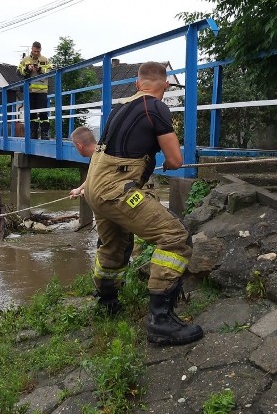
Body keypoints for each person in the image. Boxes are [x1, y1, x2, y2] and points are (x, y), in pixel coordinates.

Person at [83, 62, 203, 346]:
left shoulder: (117, 109)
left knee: (116, 246)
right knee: (175, 237)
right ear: (165, 86)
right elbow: (175, 161)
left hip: (94, 189)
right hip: (119, 191)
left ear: (137, 84)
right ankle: (161, 321)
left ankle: (106, 301)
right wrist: (167, 162)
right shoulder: (157, 107)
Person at [17, 41, 53, 140]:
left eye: (37, 51)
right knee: (32, 113)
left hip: (42, 90)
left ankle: (45, 133)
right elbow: (19, 71)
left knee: (43, 112)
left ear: (40, 50)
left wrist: (40, 69)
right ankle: (33, 133)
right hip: (30, 90)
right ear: (32, 49)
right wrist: (27, 69)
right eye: (34, 51)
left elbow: (50, 70)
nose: (36, 53)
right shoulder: (25, 60)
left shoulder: (45, 59)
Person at [69, 126, 96, 198]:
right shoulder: (96, 156)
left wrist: (88, 190)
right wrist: (79, 189)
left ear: (79, 146)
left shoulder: (103, 159)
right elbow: (92, 177)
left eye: (75, 146)